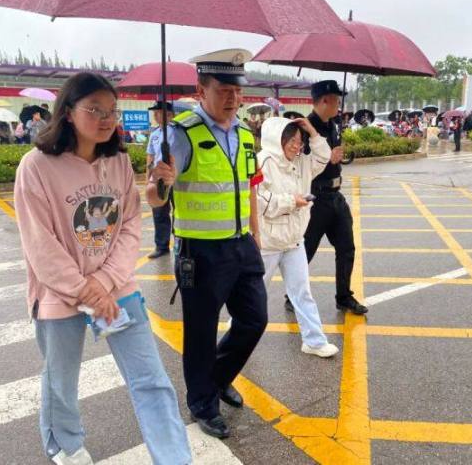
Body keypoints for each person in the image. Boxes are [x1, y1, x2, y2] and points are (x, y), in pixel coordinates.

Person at [13, 73, 191, 465]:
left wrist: (105, 283)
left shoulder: (119, 161)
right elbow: (40, 244)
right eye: (94, 109)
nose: (106, 118)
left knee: (151, 380)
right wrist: (85, 290)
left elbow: (130, 225)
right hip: (59, 295)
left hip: (117, 289)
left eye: (111, 110)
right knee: (61, 380)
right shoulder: (36, 166)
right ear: (69, 113)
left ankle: (175, 457)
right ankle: (67, 444)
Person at [147, 49, 267, 439]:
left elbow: (247, 188)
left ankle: (217, 377)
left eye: (237, 90)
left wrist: (255, 236)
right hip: (200, 251)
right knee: (200, 332)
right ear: (201, 90)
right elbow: (156, 197)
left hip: (240, 245)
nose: (232, 98)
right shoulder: (179, 134)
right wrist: (159, 180)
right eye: (223, 90)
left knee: (254, 319)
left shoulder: (246, 134)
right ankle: (202, 402)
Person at [284, 80, 368, 315]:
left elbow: (333, 157)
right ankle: (292, 295)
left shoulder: (334, 125)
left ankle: (344, 297)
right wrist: (326, 158)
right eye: (336, 101)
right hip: (315, 198)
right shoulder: (303, 127)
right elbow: (298, 165)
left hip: (336, 197)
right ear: (324, 101)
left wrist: (339, 157)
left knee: (347, 248)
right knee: (305, 250)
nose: (339, 106)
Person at [257, 116, 339, 357]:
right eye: (291, 140)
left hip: (294, 241)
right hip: (269, 243)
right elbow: (260, 202)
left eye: (299, 141)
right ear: (276, 139)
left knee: (302, 292)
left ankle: (314, 341)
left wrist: (312, 131)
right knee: (254, 294)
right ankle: (238, 333)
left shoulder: (302, 162)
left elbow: (323, 157)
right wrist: (292, 202)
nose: (296, 146)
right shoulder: (262, 163)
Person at [145, 100, 175, 259]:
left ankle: (180, 242)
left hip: (175, 176)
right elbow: (150, 156)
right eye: (155, 113)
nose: (155, 115)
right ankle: (161, 246)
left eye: (159, 112)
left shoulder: (177, 131)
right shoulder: (155, 133)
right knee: (159, 212)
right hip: (158, 178)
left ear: (169, 114)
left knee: (179, 211)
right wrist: (148, 178)